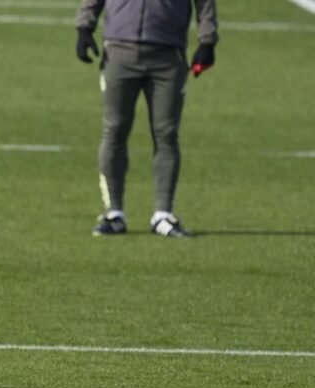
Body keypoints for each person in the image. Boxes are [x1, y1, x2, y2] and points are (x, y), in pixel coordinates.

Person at [74, 0, 219, 237]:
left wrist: (207, 41)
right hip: (119, 51)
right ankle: (114, 213)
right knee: (114, 130)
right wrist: (84, 27)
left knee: (166, 133)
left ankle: (163, 214)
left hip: (168, 55)